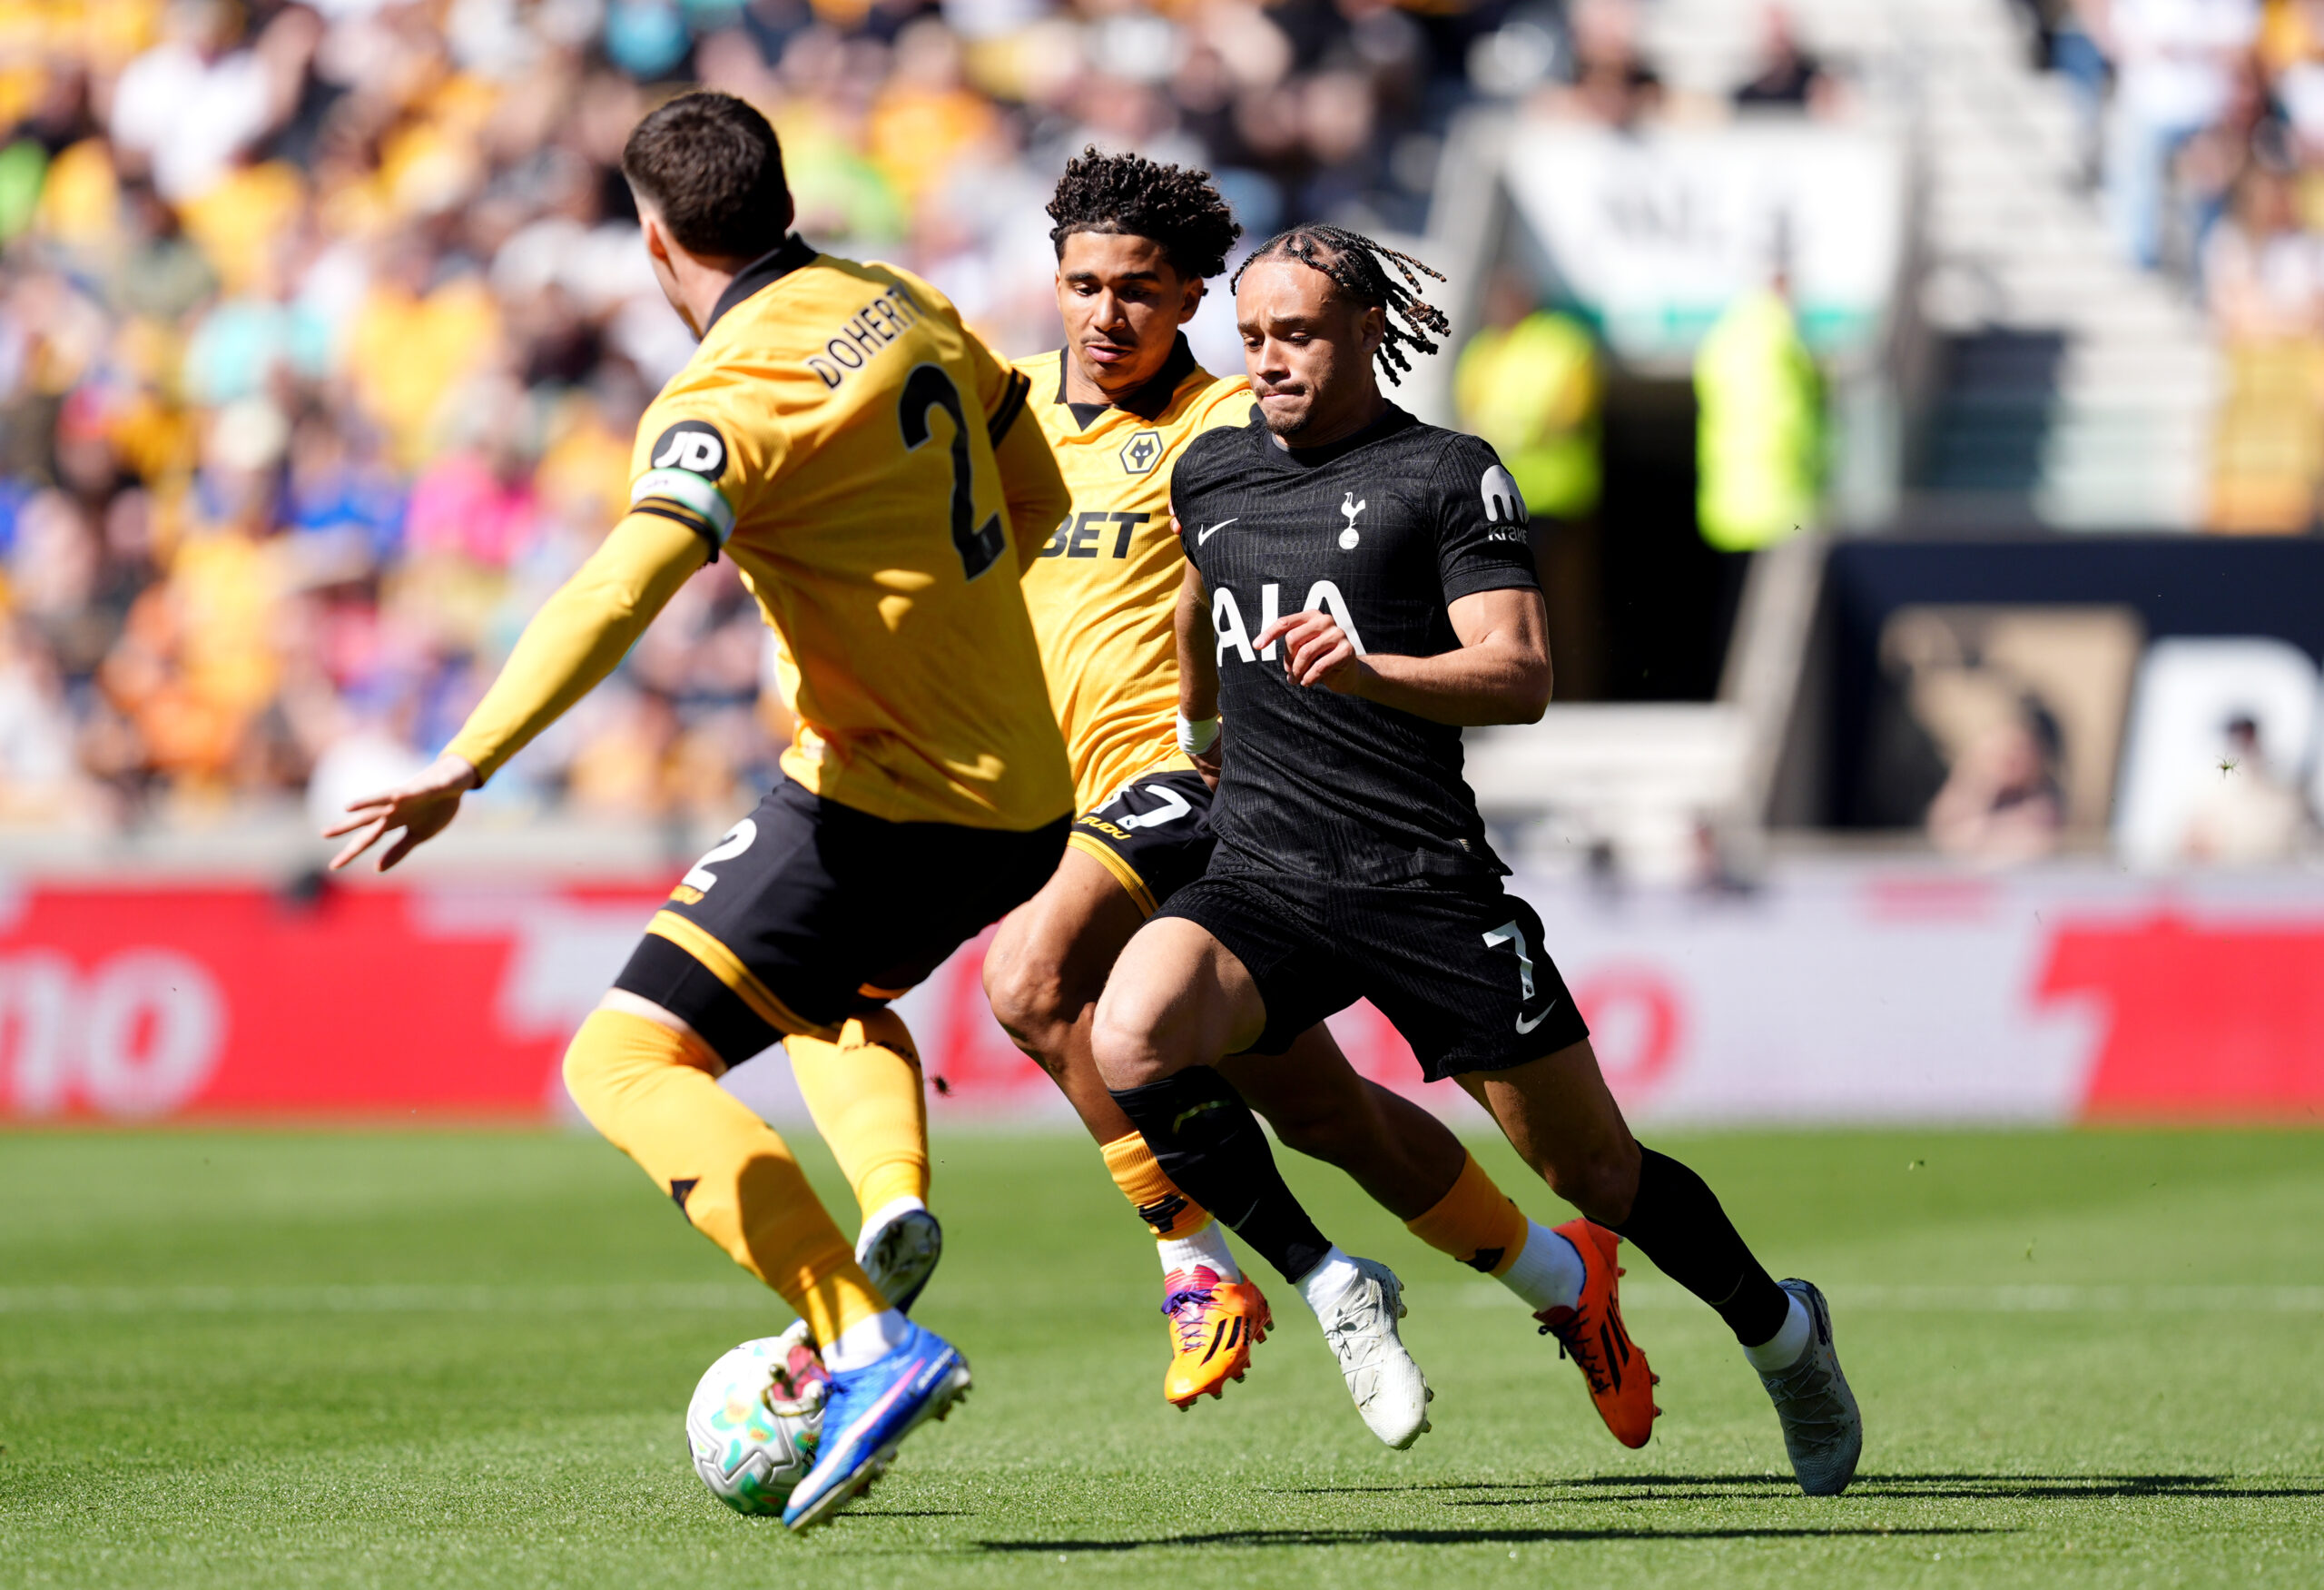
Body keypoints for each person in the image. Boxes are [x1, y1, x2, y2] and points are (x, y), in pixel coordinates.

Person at [320, 92, 1077, 1533]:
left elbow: (621, 585)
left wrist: (466, 761)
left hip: (887, 794)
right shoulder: (899, 297)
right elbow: (1028, 484)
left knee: (623, 1060)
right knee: (830, 989)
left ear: (654, 240)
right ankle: (892, 1199)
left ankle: (862, 1341)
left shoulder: (724, 401)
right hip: (1015, 791)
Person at [1088, 223, 1864, 1496]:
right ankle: (1331, 1279)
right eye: (1253, 338)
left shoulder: (1445, 474)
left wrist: (1370, 667)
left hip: (1421, 885)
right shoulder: (1214, 473)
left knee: (1595, 1176)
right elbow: (1195, 597)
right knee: (1131, 1038)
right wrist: (1200, 735)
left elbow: (1521, 675)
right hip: (1263, 870)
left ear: (1364, 332)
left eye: (1296, 334)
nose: (1268, 360)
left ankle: (1781, 1337)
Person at [970, 150, 1591, 1433]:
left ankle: (1203, 1263)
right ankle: (1559, 1274)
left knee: (1030, 984)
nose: (1104, 315)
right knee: (1321, 1110)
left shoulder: (1230, 428)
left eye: (1138, 291)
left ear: (1194, 299)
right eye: (1082, 285)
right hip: (1064, 802)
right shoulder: (1004, 414)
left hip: (1189, 783)